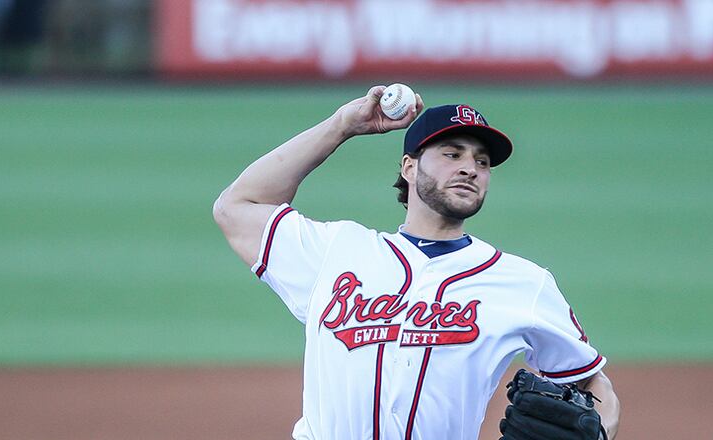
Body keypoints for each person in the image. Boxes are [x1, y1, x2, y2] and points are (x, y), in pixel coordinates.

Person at [214, 86, 620, 440]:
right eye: (451, 153)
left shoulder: (523, 283)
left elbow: (591, 383)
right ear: (409, 167)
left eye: (482, 161)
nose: (469, 168)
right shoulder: (335, 252)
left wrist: (598, 430)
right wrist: (341, 126)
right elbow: (238, 206)